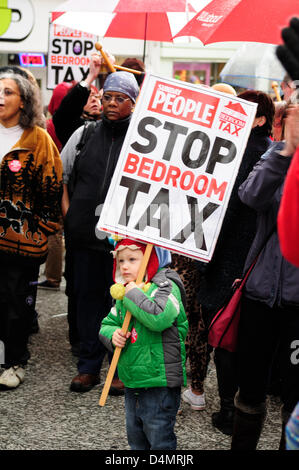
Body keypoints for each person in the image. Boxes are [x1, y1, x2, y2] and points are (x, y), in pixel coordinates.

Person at [196, 90, 274, 435]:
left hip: (230, 261)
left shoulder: (243, 154)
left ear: (260, 120)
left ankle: (230, 409)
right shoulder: (269, 154)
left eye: (241, 111)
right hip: (258, 265)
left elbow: (222, 216)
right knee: (248, 339)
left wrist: (204, 262)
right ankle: (245, 402)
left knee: (225, 337)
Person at [60, 71, 139, 393]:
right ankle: (89, 367)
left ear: (133, 103)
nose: (111, 103)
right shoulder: (84, 133)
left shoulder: (143, 139)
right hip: (85, 237)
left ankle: (119, 369)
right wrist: (70, 216)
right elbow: (62, 177)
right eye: (107, 96)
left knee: (124, 306)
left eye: (120, 98)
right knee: (88, 301)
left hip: (125, 242)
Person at [231, 117, 299, 450]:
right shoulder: (275, 154)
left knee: (296, 394)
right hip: (260, 294)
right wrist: (286, 150)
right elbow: (250, 195)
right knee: (250, 388)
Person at [0, 68, 62, 389]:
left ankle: (15, 361)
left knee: (15, 303)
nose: (1, 97)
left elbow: (52, 188)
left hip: (21, 241)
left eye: (8, 92)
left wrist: (40, 229)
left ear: (24, 102)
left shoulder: (38, 140)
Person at [99, 238, 188, 450]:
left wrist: (132, 294)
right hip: (132, 380)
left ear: (151, 259)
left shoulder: (166, 285)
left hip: (159, 381)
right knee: (136, 437)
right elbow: (107, 324)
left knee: (159, 438)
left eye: (132, 259)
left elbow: (159, 317)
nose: (125, 266)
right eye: (121, 260)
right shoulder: (125, 291)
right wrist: (113, 335)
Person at [37, 82, 73, 292]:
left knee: (54, 230)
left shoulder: (51, 125)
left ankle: (52, 276)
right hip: (65, 181)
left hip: (55, 180)